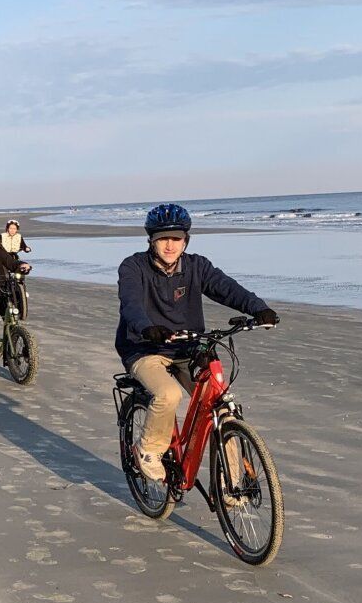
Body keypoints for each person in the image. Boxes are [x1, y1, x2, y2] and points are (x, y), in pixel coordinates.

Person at [116, 203, 278, 487]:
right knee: (168, 395)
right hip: (145, 347)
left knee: (221, 407)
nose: (170, 245)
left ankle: (233, 486)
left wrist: (258, 309)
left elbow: (227, 288)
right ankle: (149, 451)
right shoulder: (133, 267)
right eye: (163, 238)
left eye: (176, 238)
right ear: (151, 240)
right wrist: (147, 328)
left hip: (188, 347)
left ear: (185, 240)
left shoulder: (197, 266)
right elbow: (130, 305)